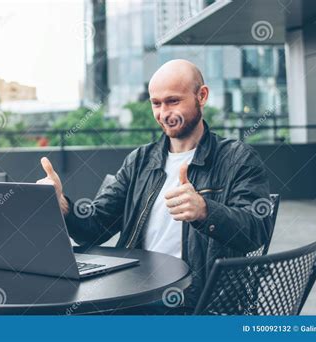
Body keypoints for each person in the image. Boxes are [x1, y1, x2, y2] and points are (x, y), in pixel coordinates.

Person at [37, 59, 272, 311]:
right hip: (136, 291)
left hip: (194, 299)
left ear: (201, 96)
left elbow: (257, 230)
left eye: (173, 101)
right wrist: (61, 205)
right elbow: (95, 227)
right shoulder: (140, 160)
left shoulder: (237, 158)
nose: (163, 113)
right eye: (156, 103)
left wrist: (205, 210)